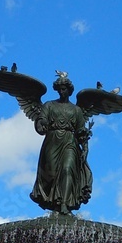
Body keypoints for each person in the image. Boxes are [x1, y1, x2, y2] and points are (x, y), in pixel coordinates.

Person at [29, 73, 93, 215]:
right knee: (50, 172)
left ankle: (64, 203)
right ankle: (54, 203)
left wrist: (85, 148)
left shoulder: (76, 110)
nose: (61, 91)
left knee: (67, 169)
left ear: (69, 90)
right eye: (59, 89)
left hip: (70, 142)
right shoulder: (49, 105)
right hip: (52, 141)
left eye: (64, 89)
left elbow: (81, 131)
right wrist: (40, 124)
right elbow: (41, 120)